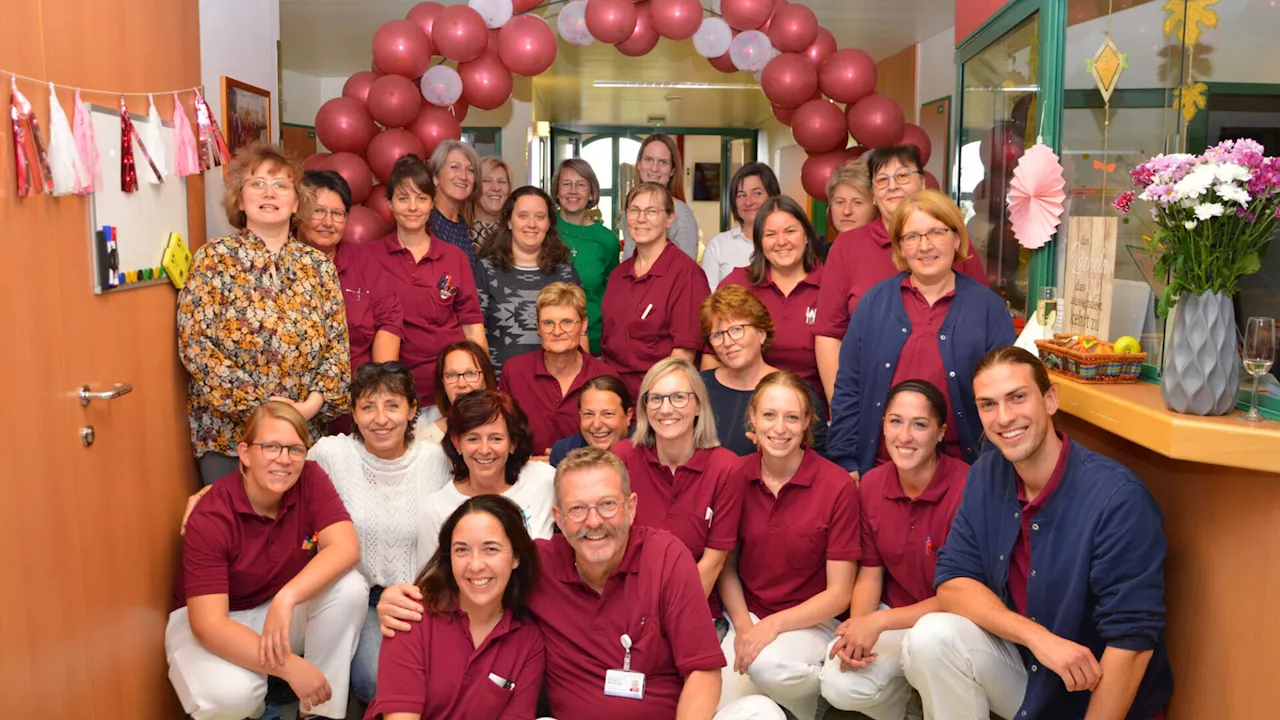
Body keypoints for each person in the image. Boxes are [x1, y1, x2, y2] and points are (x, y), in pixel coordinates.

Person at [377, 447, 786, 720]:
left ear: (630, 508)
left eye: (607, 505)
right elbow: (477, 570)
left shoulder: (667, 556)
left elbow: (703, 672)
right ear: (558, 516)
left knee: (762, 713)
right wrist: (397, 597)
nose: (594, 522)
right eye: (577, 509)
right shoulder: (536, 562)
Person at [903, 347, 1173, 720]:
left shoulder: (1117, 500)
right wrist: (1037, 638)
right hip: (1031, 669)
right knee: (930, 637)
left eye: (1017, 397)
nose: (1004, 417)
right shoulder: (987, 473)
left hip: (1092, 693)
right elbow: (952, 580)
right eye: (988, 404)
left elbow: (1133, 643)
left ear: (1049, 400)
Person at [166, 402, 364, 720]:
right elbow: (209, 625)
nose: (284, 459)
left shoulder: (310, 478)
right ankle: (260, 708)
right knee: (232, 695)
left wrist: (287, 598)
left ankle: (318, 711)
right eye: (271, 446)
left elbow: (345, 547)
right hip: (212, 618)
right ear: (244, 454)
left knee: (349, 588)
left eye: (295, 449)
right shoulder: (211, 515)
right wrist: (290, 666)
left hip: (273, 605)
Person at [178, 143, 350, 485]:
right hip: (232, 437)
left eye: (281, 185)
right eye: (257, 183)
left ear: (297, 201)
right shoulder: (214, 259)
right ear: (240, 200)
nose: (269, 192)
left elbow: (337, 349)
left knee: (299, 535)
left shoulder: (317, 266)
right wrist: (263, 408)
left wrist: (310, 407)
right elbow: (197, 348)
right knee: (236, 534)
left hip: (304, 435)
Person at [828, 190, 1016, 479]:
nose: (924, 246)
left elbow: (1002, 400)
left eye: (936, 233)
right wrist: (845, 461)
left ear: (956, 239)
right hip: (881, 469)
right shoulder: (874, 304)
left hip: (964, 476)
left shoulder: (988, 309)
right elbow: (848, 389)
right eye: (912, 237)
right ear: (900, 247)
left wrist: (988, 474)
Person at [818, 380, 968, 720]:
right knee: (837, 681)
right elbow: (871, 572)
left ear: (941, 432)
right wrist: (859, 625)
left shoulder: (966, 488)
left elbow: (964, 597)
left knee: (926, 646)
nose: (905, 436)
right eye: (895, 421)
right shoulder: (871, 484)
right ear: (883, 424)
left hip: (951, 624)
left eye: (920, 424)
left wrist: (879, 621)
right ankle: (905, 707)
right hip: (896, 614)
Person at [716, 372, 860, 720]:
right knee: (720, 707)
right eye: (769, 415)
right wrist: (744, 627)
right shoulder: (734, 474)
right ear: (752, 417)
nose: (779, 428)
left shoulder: (837, 485)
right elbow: (727, 567)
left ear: (808, 421)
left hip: (811, 621)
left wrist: (772, 627)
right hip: (746, 614)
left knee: (767, 666)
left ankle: (818, 703)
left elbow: (840, 594)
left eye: (792, 417)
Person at [814, 145, 987, 406]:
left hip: (951, 403)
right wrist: (842, 409)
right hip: (870, 403)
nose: (892, 186)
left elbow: (980, 320)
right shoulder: (848, 247)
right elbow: (829, 335)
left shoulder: (950, 240)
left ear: (923, 182)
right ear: (873, 194)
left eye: (903, 176)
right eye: (882, 180)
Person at [365, 495, 545, 719]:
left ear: (516, 557)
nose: (476, 565)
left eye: (491, 549)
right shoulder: (410, 614)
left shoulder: (528, 638)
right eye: (462, 550)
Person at [611, 357, 743, 609]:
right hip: (626, 605)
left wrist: (668, 622)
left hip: (693, 608)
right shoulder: (622, 457)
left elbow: (713, 562)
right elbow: (613, 550)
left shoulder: (725, 468)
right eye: (656, 398)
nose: (666, 409)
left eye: (678, 397)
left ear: (698, 406)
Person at [365, 155, 486, 396]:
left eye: (421, 198)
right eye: (402, 198)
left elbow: (472, 327)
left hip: (451, 390)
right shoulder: (370, 257)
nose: (412, 207)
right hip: (395, 391)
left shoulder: (454, 257)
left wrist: (482, 386)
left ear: (432, 203)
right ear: (389, 203)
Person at [298, 170, 403, 433]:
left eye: (337, 213)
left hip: (353, 401)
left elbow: (388, 321)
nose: (328, 222)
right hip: (292, 401)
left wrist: (376, 392)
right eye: (318, 211)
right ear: (298, 211)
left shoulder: (363, 262)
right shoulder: (283, 261)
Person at [601, 182, 712, 399]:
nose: (641, 218)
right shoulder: (618, 275)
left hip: (659, 397)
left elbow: (683, 356)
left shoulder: (686, 275)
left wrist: (653, 402)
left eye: (652, 211)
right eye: (634, 210)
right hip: (615, 398)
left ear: (669, 219)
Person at [719, 196, 826, 414]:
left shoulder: (830, 284)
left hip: (813, 414)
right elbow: (711, 355)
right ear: (759, 242)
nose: (781, 241)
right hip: (746, 412)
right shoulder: (737, 284)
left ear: (806, 235)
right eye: (770, 234)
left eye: (790, 231)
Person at [421, 390, 557, 560]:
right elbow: (431, 582)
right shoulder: (437, 508)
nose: (484, 450)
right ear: (457, 443)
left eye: (496, 439)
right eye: (473, 439)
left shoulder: (544, 480)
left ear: (513, 442)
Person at [698, 286, 826, 457]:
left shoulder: (795, 391)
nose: (727, 342)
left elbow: (818, 458)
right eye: (717, 335)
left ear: (761, 333)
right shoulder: (697, 387)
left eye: (737, 330)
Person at [498, 282, 619, 455]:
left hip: (586, 475)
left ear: (584, 325)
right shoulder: (514, 372)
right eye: (548, 323)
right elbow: (501, 433)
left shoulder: (605, 377)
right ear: (538, 328)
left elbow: (617, 441)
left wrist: (562, 460)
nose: (557, 331)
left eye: (567, 322)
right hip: (526, 474)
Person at [474, 186, 582, 373]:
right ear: (509, 221)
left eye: (540, 217)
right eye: (523, 216)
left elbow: (581, 334)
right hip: (501, 387)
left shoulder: (565, 274)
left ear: (548, 224)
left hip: (556, 385)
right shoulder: (486, 270)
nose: (531, 224)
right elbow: (475, 333)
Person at [553, 158, 620, 357]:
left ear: (591, 192)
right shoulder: (542, 228)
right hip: (547, 338)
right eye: (566, 184)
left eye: (581, 184)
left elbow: (611, 296)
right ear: (557, 191)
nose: (573, 190)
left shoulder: (607, 240)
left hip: (593, 343)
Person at [701, 163, 780, 288]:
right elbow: (708, 300)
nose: (748, 202)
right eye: (742, 195)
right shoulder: (718, 245)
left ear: (773, 196)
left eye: (757, 193)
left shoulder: (784, 242)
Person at [622, 133, 700, 260]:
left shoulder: (681, 212)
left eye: (663, 162)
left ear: (672, 170)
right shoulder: (630, 210)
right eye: (648, 159)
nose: (654, 168)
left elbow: (686, 270)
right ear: (639, 164)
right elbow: (629, 258)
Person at [420, 341, 499, 446]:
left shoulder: (508, 424)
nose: (461, 384)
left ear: (485, 379)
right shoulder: (426, 441)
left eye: (471, 373)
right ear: (443, 382)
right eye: (451, 375)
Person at [548, 374, 635, 466]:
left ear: (628, 416)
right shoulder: (564, 453)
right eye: (588, 414)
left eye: (607, 414)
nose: (596, 425)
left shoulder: (645, 449)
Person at [428, 139, 483, 262]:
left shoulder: (462, 224)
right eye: (454, 167)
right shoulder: (425, 221)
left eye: (470, 170)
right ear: (435, 177)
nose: (463, 176)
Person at [826, 156, 878, 237]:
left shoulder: (895, 249)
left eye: (857, 202)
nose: (847, 211)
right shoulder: (820, 249)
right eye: (840, 202)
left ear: (876, 206)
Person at [469, 156, 512, 251]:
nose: (496, 188)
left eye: (501, 182)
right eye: (487, 181)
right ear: (474, 187)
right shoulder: (457, 232)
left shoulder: (516, 232)